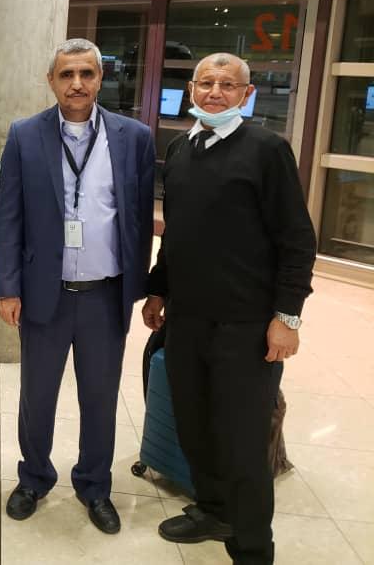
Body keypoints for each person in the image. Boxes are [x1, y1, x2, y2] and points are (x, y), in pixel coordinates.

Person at [142, 53, 316, 565]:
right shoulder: (181, 148)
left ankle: (252, 546)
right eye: (206, 83)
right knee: (195, 425)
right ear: (191, 89)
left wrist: (287, 317)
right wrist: (158, 290)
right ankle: (213, 510)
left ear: (247, 94)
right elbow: (177, 233)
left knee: (242, 440)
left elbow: (297, 240)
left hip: (247, 326)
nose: (215, 92)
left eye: (228, 84)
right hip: (188, 319)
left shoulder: (267, 150)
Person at [0, 38, 155, 534]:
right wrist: (7, 286)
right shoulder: (25, 135)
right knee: (37, 396)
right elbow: (9, 217)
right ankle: (33, 478)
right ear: (52, 81)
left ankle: (94, 485)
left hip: (105, 295)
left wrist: (143, 287)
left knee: (101, 399)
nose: (77, 83)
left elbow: (139, 219)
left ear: (100, 78)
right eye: (67, 74)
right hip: (46, 293)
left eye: (87, 73)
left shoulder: (134, 137)